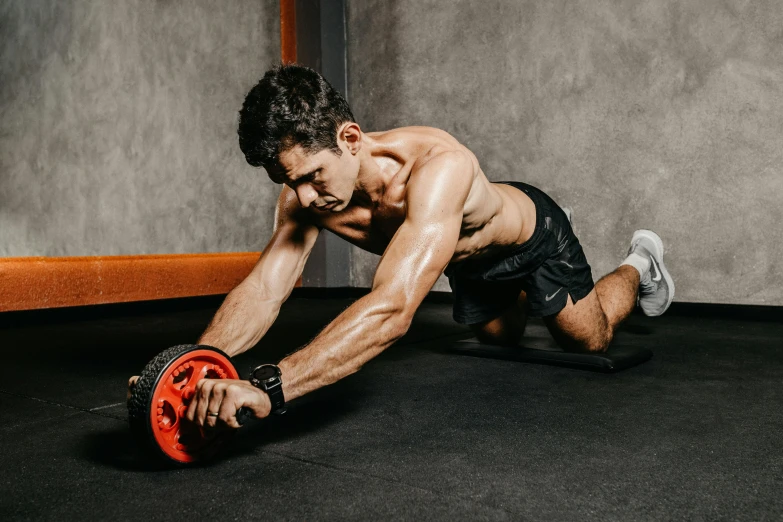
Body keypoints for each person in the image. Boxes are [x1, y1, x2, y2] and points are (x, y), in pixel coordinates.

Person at [130, 64, 674, 428]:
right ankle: (527, 289)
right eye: (287, 180)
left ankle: (639, 261)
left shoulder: (437, 167)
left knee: (589, 339)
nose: (301, 196)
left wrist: (271, 386)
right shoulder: (303, 197)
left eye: (312, 175)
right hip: (468, 264)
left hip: (533, 238)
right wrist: (193, 365)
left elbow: (392, 309)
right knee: (505, 339)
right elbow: (265, 289)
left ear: (348, 138)